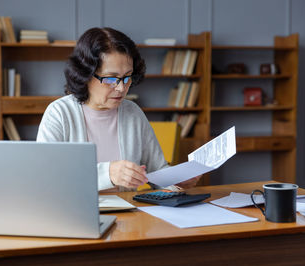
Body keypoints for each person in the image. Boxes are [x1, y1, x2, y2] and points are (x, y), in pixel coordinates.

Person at [37, 27, 200, 192]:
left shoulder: (133, 113)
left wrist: (176, 180)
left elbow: (157, 171)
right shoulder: (60, 113)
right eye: (110, 78)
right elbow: (45, 177)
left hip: (130, 214)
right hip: (75, 213)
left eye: (127, 77)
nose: (121, 88)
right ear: (85, 75)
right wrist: (108, 174)